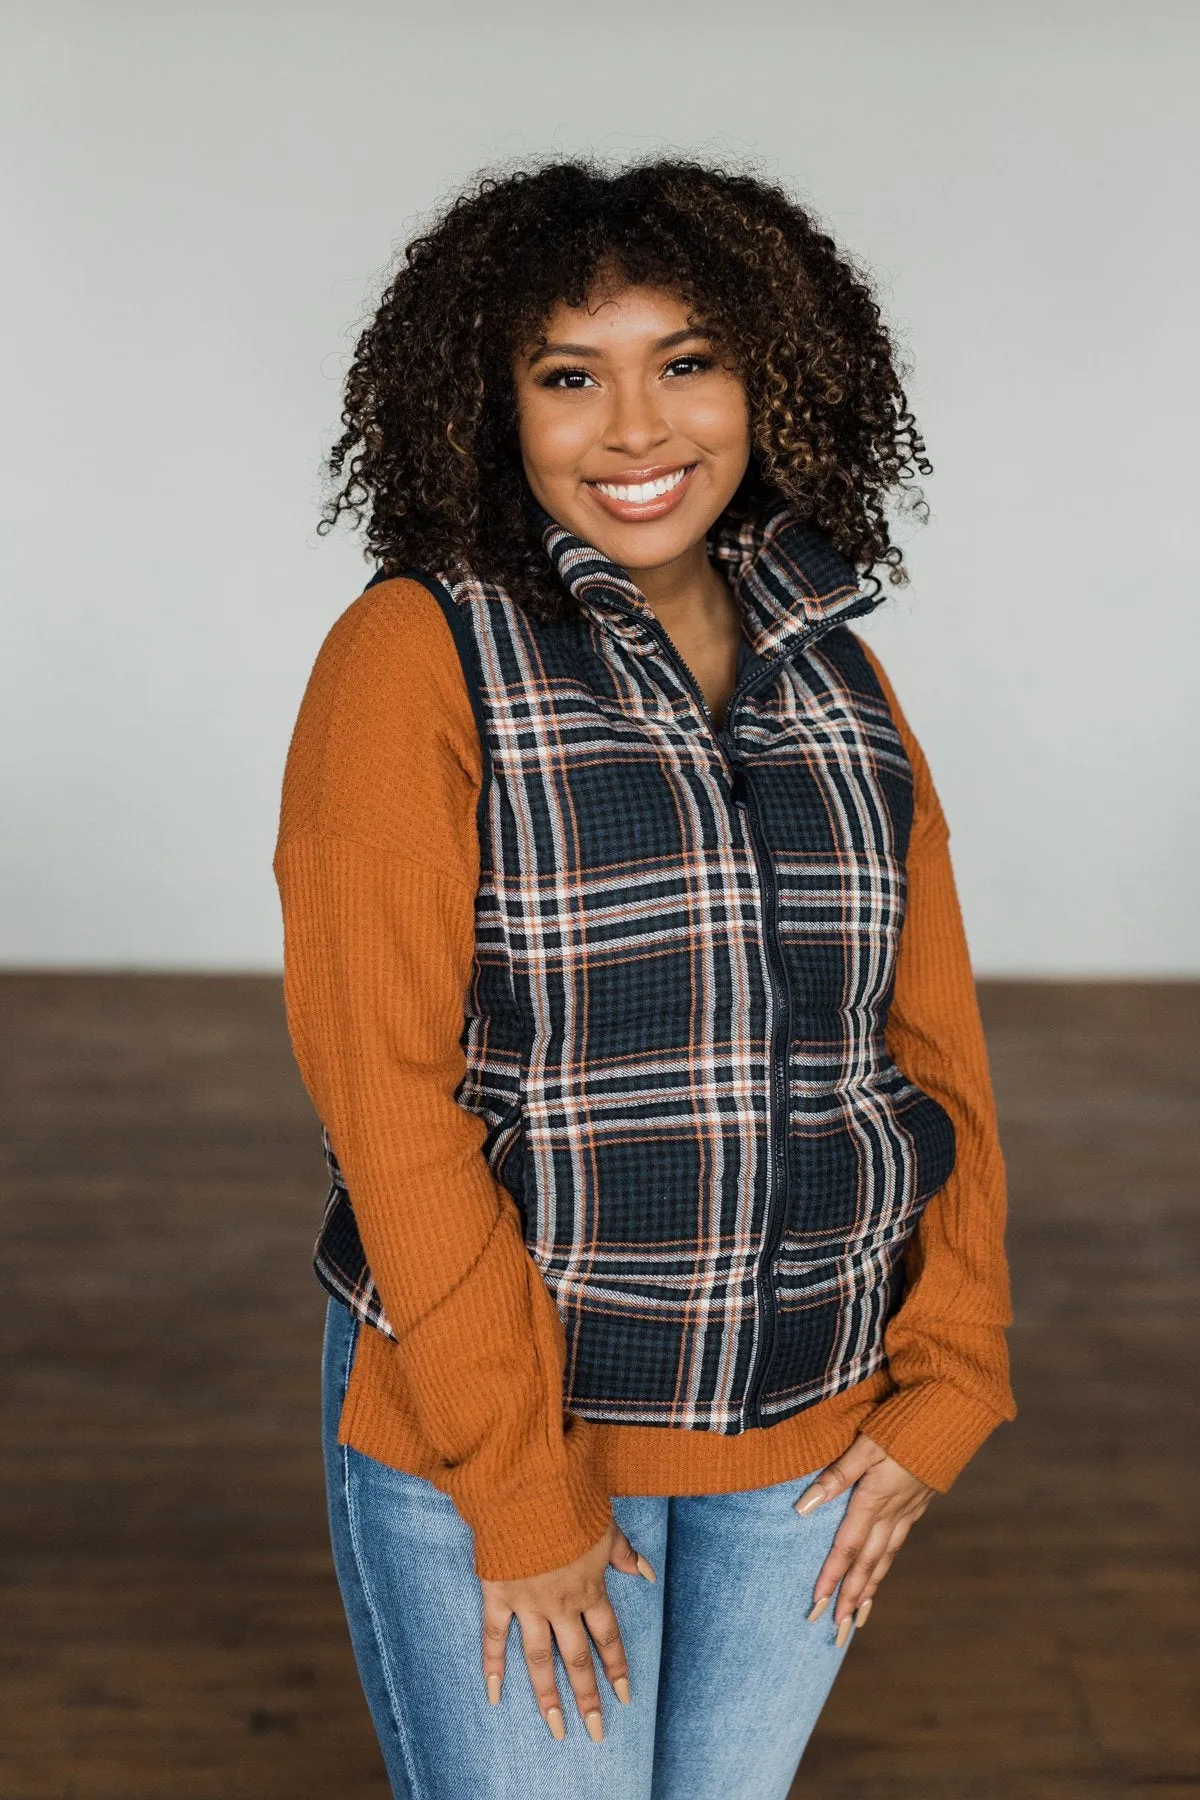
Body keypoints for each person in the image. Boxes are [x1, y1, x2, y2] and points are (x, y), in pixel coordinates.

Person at [274, 157, 1015, 1800]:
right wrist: (519, 1493)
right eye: (568, 375)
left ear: (772, 379)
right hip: (509, 1435)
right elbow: (383, 1099)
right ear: (489, 405)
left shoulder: (835, 663)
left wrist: (952, 1367)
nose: (635, 428)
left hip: (816, 1422)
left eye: (686, 362)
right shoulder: (418, 652)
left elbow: (926, 1044)